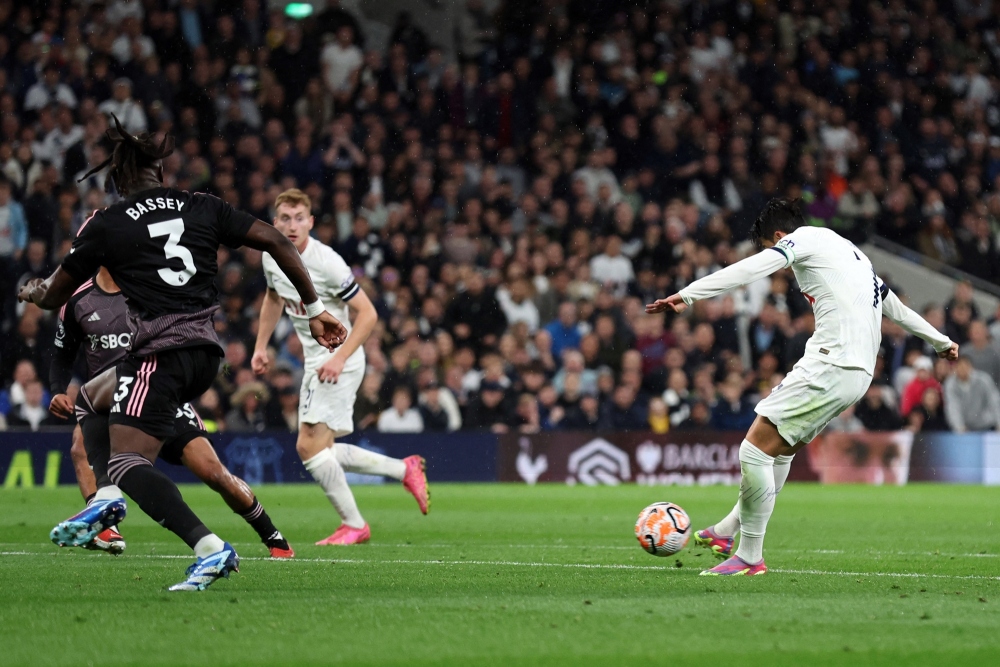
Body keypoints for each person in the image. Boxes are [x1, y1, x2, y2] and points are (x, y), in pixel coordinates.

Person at [19, 118, 347, 591]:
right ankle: (106, 502)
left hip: (159, 352)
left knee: (128, 463)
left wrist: (32, 291)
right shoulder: (202, 205)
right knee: (93, 398)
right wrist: (315, 310)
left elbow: (53, 296)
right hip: (204, 354)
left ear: (117, 180)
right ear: (159, 171)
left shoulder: (108, 223)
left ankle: (209, 548)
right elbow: (276, 241)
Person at [646, 198, 957, 575]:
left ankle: (748, 555)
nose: (775, 258)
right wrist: (940, 340)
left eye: (770, 246)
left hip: (832, 361)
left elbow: (754, 268)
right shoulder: (850, 252)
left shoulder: (803, 240)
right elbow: (892, 304)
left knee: (753, 451)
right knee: (778, 452)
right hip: (858, 372)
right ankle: (726, 532)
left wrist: (689, 294)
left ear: (779, 237)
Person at [48, 266, 292, 557]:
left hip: (158, 390)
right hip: (108, 400)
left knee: (213, 472)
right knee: (79, 446)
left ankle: (271, 534)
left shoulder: (148, 285)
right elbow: (61, 354)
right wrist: (58, 389)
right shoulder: (78, 300)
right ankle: (104, 528)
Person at [252, 189, 429, 547]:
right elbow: (273, 297)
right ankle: (403, 469)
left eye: (299, 218)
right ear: (275, 222)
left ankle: (354, 525)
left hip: (339, 358)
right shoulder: (271, 256)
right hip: (318, 359)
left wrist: (339, 357)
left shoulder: (327, 262)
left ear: (311, 222)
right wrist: (260, 345)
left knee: (307, 446)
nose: (292, 225)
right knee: (323, 448)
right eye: (285, 218)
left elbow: (369, 314)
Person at [943, 356, 1000, 432]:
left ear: (971, 367)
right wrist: (959, 427)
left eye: (965, 366)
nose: (963, 369)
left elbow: (994, 402)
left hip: (987, 425)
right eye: (960, 366)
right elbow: (953, 407)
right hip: (965, 428)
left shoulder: (983, 380)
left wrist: (999, 423)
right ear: (955, 368)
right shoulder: (950, 384)